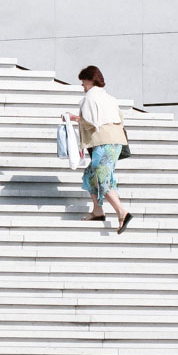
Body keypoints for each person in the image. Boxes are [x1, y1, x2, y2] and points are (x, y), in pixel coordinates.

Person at [68, 65, 133, 234]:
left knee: (100, 176)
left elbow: (91, 121)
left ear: (90, 80)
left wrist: (75, 118)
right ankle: (98, 211)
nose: (82, 85)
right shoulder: (110, 98)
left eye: (83, 81)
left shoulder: (90, 97)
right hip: (115, 141)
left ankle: (122, 212)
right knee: (91, 176)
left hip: (104, 142)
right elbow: (120, 119)